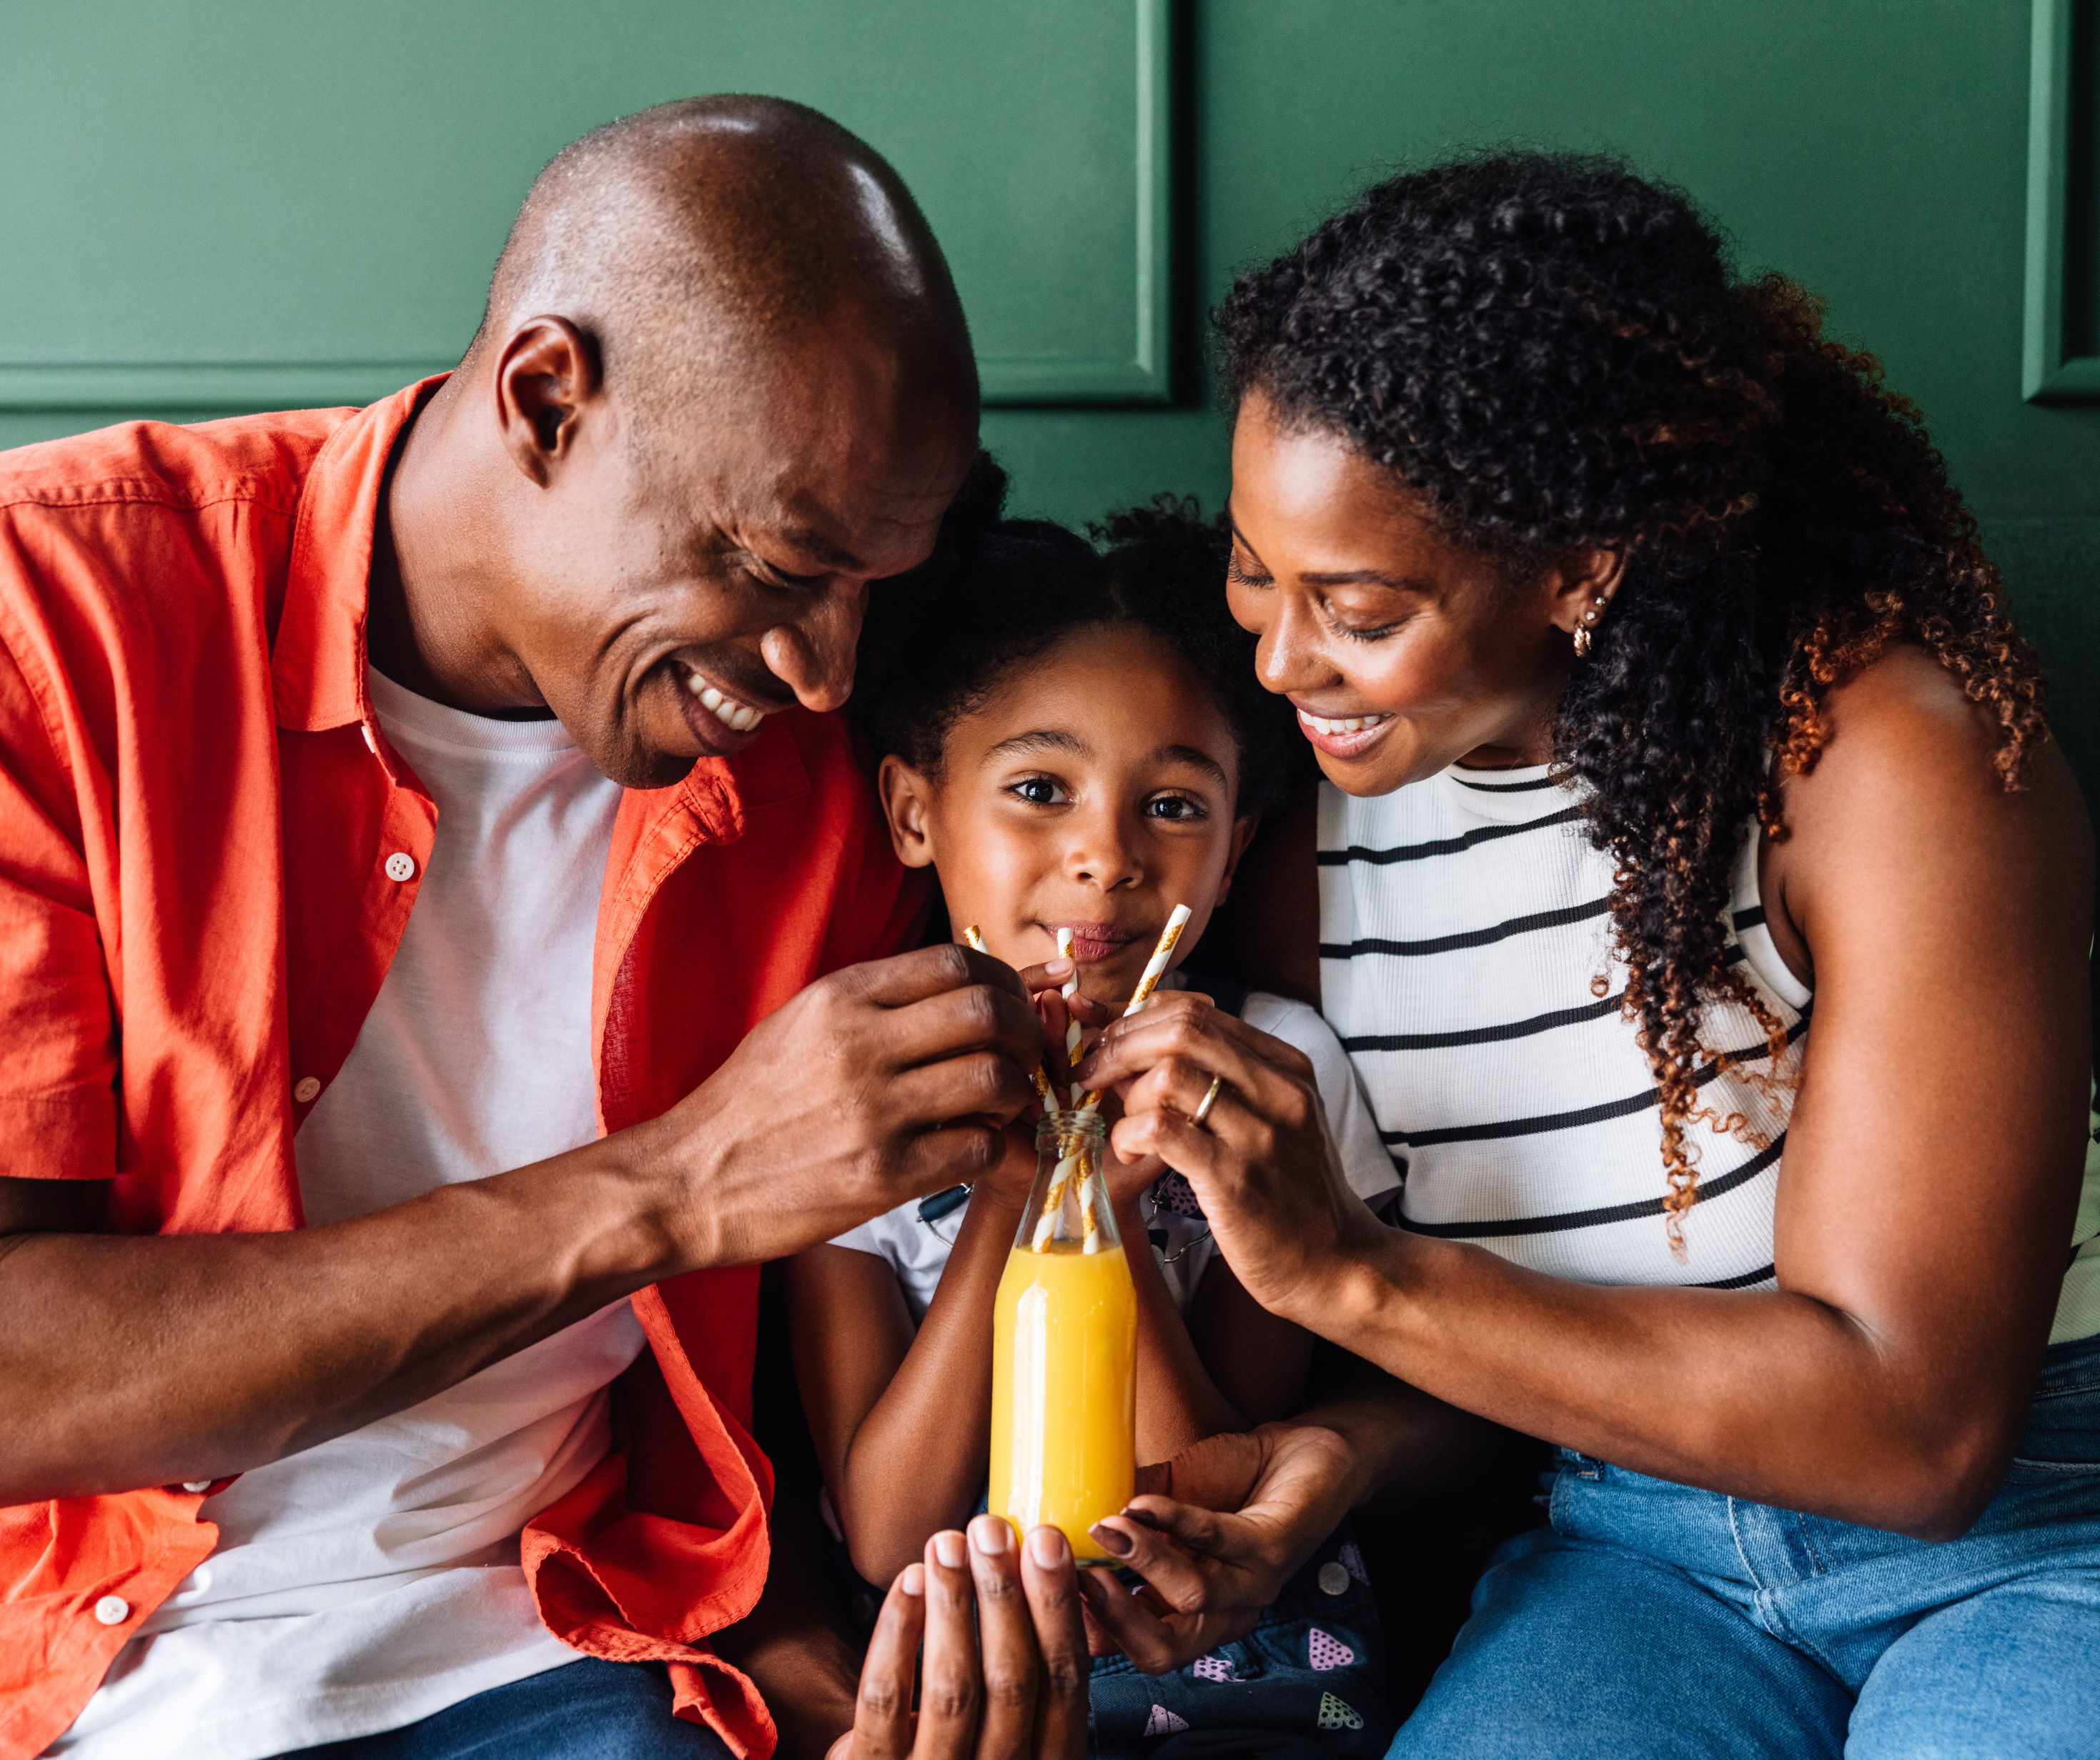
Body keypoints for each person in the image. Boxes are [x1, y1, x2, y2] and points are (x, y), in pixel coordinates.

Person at [0, 97, 1053, 1760]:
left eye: (872, 586)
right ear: (547, 400)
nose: (824, 669)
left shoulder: (825, 784)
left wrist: (834, 1680)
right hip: (81, 1678)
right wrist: (674, 1185)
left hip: (569, 1664)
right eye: (780, 566)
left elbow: (772, 1407)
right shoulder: (51, 623)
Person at [1068, 153, 2100, 1756]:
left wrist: (1352, 1266)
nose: (1278, 659)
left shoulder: (1877, 756)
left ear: (1583, 561)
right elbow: (1523, 1356)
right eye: (1256, 573)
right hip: (1636, 1553)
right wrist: (1331, 1457)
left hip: (2034, 1534)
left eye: (1353, 603)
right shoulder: (1307, 848)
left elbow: (1914, 1429)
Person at [788, 485, 1400, 1754]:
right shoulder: (851, 1090)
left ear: (1233, 852)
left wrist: (1109, 1209)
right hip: (966, 1669)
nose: (1106, 854)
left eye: (1174, 806)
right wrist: (1020, 1195)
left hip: (1243, 1663)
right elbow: (889, 1527)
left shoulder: (1278, 1067)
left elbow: (1198, 1488)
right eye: (1038, 788)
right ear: (914, 813)